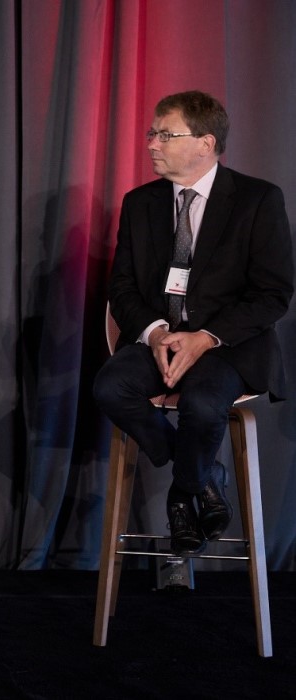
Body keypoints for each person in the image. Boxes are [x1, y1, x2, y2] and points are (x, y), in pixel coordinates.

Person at [94, 91, 294, 555]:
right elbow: (121, 288)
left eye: (165, 134)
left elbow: (273, 294)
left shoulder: (257, 200)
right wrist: (157, 333)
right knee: (110, 387)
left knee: (203, 406)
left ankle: (182, 498)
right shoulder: (140, 203)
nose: (151, 144)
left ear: (205, 144)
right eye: (152, 133)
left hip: (228, 345)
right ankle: (202, 478)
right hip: (159, 341)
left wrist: (204, 337)